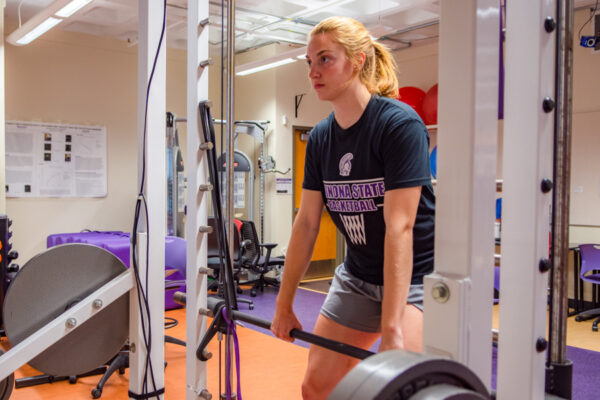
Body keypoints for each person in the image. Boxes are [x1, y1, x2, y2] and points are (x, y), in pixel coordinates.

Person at [270, 16, 435, 400]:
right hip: (359, 276)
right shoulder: (322, 137)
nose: (313, 71)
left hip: (416, 278)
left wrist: (392, 327)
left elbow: (400, 228)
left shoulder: (398, 124)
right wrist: (284, 303)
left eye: (325, 59)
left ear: (358, 60)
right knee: (316, 386)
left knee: (401, 388)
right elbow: (307, 222)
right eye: (309, 62)